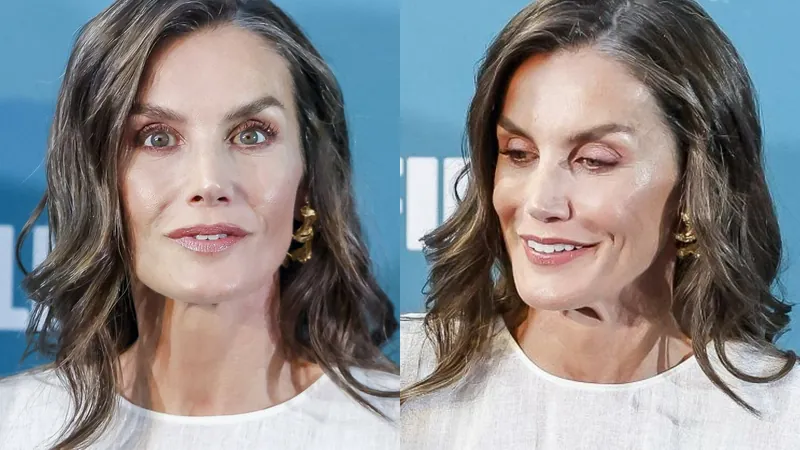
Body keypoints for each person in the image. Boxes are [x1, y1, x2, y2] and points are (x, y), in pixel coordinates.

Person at [400, 0, 799, 448]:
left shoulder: (781, 419)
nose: (539, 203)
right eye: (519, 153)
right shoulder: (408, 380)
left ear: (697, 183)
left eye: (594, 160)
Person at [0, 0, 398, 449]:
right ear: (97, 181)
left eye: (251, 134)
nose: (209, 183)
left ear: (308, 178)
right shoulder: (14, 426)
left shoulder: (398, 429)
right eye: (157, 138)